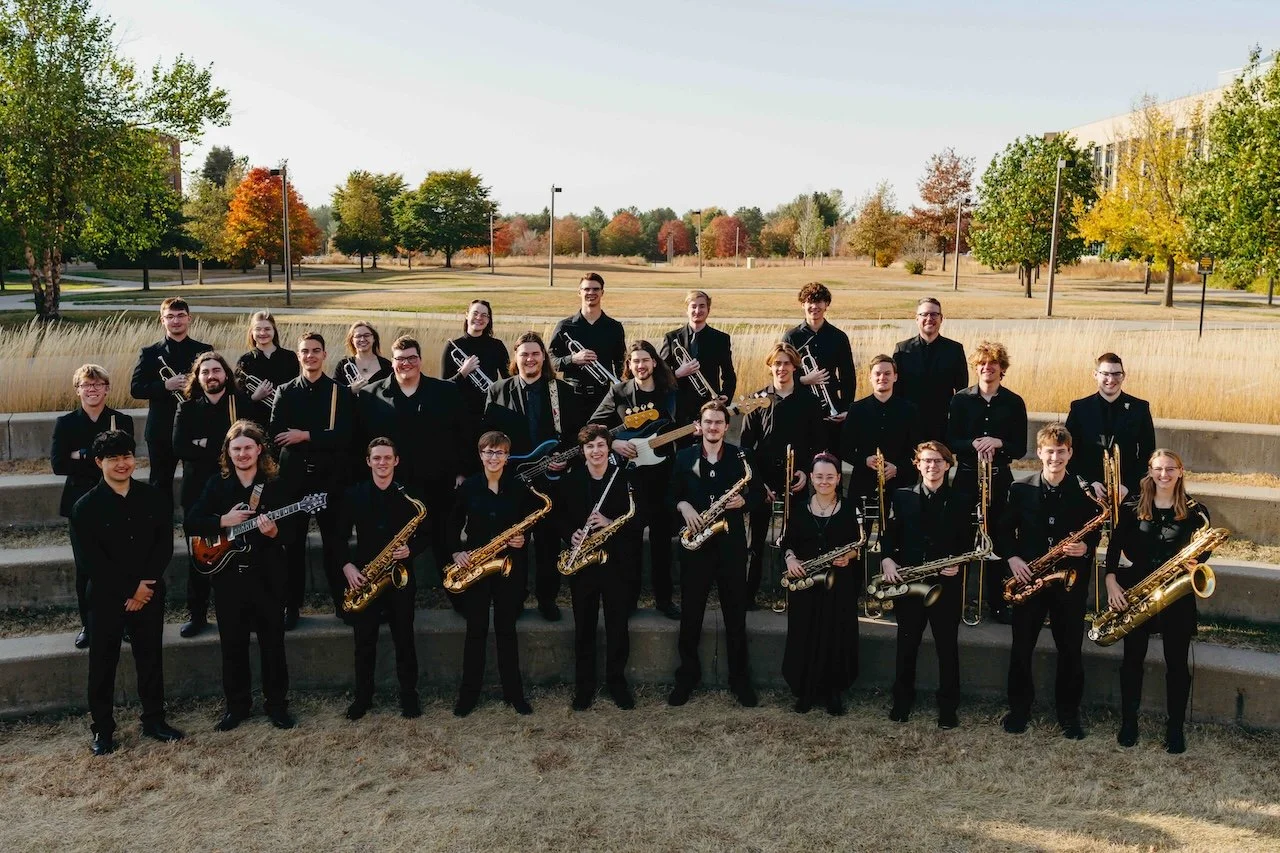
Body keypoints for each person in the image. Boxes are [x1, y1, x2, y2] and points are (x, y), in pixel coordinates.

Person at [70, 430, 182, 755]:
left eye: (127, 456)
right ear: (99, 462)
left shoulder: (153, 497)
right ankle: (103, 731)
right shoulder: (84, 507)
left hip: (149, 592)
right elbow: (90, 561)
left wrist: (145, 585)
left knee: (150, 659)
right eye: (114, 458)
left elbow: (163, 545)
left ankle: (155, 721)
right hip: (106, 597)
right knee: (102, 664)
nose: (122, 463)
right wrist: (130, 589)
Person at [186, 419, 297, 732]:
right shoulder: (216, 485)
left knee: (272, 644)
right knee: (232, 646)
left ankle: (277, 706)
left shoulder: (275, 484)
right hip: (229, 578)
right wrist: (223, 519)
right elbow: (192, 522)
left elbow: (293, 531)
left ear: (259, 449)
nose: (243, 453)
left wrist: (275, 531)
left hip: (268, 577)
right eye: (237, 449)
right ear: (229, 452)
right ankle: (237, 707)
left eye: (248, 447)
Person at [1104, 449, 1213, 754]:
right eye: (1157, 469)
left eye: (1170, 469)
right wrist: (1111, 580)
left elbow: (1202, 552)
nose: (1163, 475)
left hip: (1175, 593)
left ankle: (1175, 729)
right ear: (1149, 471)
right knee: (1132, 661)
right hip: (1137, 590)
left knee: (1177, 664)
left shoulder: (1196, 512)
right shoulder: (1131, 507)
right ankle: (1129, 723)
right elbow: (1113, 549)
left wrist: (1196, 563)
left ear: (1180, 471)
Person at [998, 424, 1100, 740]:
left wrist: (1086, 548)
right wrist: (1012, 558)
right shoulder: (1020, 489)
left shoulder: (1084, 493)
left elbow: (1094, 532)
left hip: (1069, 581)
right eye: (1049, 451)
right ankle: (1019, 710)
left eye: (1061, 451)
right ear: (1039, 453)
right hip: (1030, 577)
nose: (1055, 457)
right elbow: (1002, 531)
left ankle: (1069, 715)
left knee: (1070, 650)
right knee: (1021, 648)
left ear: (1070, 453)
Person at [355, 334, 474, 593]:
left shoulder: (446, 391)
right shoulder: (369, 396)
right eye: (400, 359)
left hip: (439, 484)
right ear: (392, 362)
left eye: (411, 358)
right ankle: (391, 600)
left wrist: (463, 472)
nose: (406, 364)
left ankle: (455, 593)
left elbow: (463, 433)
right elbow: (361, 441)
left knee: (445, 541)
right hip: (393, 487)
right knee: (392, 547)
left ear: (420, 361)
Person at [667, 400, 764, 708]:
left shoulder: (741, 457)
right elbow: (670, 496)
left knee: (735, 615)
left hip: (730, 544)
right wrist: (682, 505)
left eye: (718, 423)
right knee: (691, 615)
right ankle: (686, 678)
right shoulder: (683, 457)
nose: (712, 427)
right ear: (700, 425)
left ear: (726, 426)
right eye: (707, 422)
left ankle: (740, 680)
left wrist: (743, 503)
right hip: (696, 546)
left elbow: (760, 494)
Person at [484, 331, 581, 621]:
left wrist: (562, 460)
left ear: (544, 357)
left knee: (549, 543)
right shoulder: (498, 390)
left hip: (550, 482)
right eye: (524, 354)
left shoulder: (560, 391)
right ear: (516, 358)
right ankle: (514, 597)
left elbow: (575, 435)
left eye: (535, 353)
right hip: (512, 480)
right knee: (514, 542)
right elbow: (489, 436)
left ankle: (547, 599)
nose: (530, 359)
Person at [879, 441, 972, 728]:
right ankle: (902, 701)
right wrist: (887, 561)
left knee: (947, 647)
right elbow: (889, 536)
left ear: (948, 465)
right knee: (907, 644)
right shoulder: (901, 496)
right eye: (926, 461)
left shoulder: (961, 499)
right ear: (917, 464)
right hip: (909, 584)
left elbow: (968, 543)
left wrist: (958, 562)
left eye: (938, 461)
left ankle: (948, 707)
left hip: (946, 584)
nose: (932, 466)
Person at [449, 431, 540, 717]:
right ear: (480, 455)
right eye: (488, 452)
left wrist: (523, 537)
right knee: (475, 630)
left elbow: (530, 520)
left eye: (499, 453)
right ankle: (468, 695)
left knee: (506, 630)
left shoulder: (518, 486)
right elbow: (450, 525)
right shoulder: (469, 487)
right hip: (476, 565)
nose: (493, 457)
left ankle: (514, 694)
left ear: (507, 457)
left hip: (509, 565)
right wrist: (455, 552)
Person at [336, 438, 427, 721]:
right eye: (377, 458)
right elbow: (336, 537)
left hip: (399, 576)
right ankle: (363, 697)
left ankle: (409, 695)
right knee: (364, 641)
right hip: (365, 576)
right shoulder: (354, 494)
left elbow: (427, 533)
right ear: (368, 461)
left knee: (404, 638)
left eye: (388, 458)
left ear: (396, 461)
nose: (382, 463)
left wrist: (412, 548)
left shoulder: (409, 495)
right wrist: (347, 566)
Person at [590, 339, 680, 618]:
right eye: (635, 361)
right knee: (629, 540)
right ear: (629, 365)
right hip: (629, 478)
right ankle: (628, 599)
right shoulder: (619, 392)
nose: (640, 365)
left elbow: (684, 425)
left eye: (645, 360)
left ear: (655, 362)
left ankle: (664, 600)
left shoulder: (671, 393)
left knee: (663, 542)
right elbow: (592, 427)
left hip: (664, 476)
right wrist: (613, 443)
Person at [270, 332, 353, 626]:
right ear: (299, 355)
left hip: (331, 481)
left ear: (324, 355)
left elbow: (346, 437)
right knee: (292, 546)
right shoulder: (285, 391)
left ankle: (344, 604)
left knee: (335, 544)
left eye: (316, 351)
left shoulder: (340, 392)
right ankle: (290, 607)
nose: (310, 356)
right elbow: (278, 436)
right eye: (305, 351)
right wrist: (322, 439)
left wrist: (305, 435)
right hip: (294, 481)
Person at [172, 352, 255, 637]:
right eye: (205, 371)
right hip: (197, 494)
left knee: (241, 554)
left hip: (234, 490)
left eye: (216, 370)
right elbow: (180, 447)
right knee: (200, 556)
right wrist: (220, 447)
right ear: (198, 378)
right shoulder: (187, 409)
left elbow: (251, 445)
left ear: (226, 375)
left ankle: (245, 612)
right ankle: (197, 615)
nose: (211, 376)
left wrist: (203, 444)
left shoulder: (241, 405)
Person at [52, 364, 134, 650]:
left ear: (107, 388)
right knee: (86, 569)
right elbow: (59, 464)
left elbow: (124, 461)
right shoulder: (66, 423)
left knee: (123, 563)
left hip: (117, 500)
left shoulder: (121, 419)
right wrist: (98, 457)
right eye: (86, 385)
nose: (93, 390)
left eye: (98, 385)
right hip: (80, 504)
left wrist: (82, 454)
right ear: (78, 390)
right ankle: (89, 625)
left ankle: (125, 622)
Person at [554, 424, 635, 710]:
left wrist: (611, 523)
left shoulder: (624, 478)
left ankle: (617, 683)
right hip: (583, 564)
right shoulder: (571, 481)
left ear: (609, 447)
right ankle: (584, 687)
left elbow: (638, 516)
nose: (596, 451)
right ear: (582, 451)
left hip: (616, 563)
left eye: (601, 445)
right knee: (584, 628)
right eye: (590, 447)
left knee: (617, 626)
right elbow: (559, 518)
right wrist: (571, 534)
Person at [947, 340, 1027, 624]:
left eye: (992, 364)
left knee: (999, 539)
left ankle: (997, 603)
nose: (986, 368)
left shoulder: (1014, 402)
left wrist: (999, 441)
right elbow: (951, 441)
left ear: (1001, 369)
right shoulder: (960, 400)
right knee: (961, 538)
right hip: (968, 477)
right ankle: (955, 602)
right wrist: (974, 443)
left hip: (999, 479)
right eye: (981, 364)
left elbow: (1020, 448)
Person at [740, 343, 823, 607]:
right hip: (762, 481)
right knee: (755, 541)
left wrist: (806, 471)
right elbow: (745, 447)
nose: (782, 368)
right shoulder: (756, 399)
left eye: (787, 363)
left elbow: (817, 443)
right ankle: (748, 595)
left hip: (795, 479)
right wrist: (758, 483)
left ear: (795, 367)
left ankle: (795, 591)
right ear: (770, 366)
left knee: (796, 538)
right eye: (777, 363)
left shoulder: (809, 400)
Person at [780, 453, 863, 716]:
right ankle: (806, 690)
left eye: (830, 476)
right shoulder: (798, 508)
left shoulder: (851, 508)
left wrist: (847, 556)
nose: (824, 481)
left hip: (839, 583)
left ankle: (833, 692)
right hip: (805, 582)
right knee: (804, 633)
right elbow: (787, 542)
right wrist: (791, 558)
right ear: (812, 479)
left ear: (839, 478)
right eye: (819, 477)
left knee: (836, 635)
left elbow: (859, 545)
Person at [129, 297, 213, 514]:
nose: (176, 321)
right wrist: (165, 385)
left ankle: (196, 536)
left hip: (195, 427)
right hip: (161, 430)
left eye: (180, 316)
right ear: (162, 320)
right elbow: (136, 389)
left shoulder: (203, 350)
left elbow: (215, 385)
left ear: (189, 319)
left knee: (196, 483)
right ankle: (160, 540)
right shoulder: (149, 352)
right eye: (170, 317)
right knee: (159, 485)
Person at [1066, 352, 1157, 500]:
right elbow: (1070, 452)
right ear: (1095, 374)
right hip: (1088, 492)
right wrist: (1089, 482)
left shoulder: (1140, 408)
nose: (1111, 379)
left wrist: (1128, 485)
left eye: (1116, 374)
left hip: (1126, 492)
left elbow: (1148, 453)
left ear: (1124, 376)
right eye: (1105, 374)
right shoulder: (1079, 408)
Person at [840, 354, 921, 513]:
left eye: (887, 373)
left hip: (900, 482)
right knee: (856, 532)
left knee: (897, 534)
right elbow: (844, 448)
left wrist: (897, 468)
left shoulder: (910, 410)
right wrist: (865, 460)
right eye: (877, 373)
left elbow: (917, 449)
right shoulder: (856, 409)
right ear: (870, 377)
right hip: (863, 481)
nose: (882, 377)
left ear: (895, 377)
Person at [782, 282, 855, 456]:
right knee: (802, 459)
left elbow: (848, 376)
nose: (814, 306)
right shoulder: (791, 337)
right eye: (810, 302)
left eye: (819, 302)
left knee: (832, 460)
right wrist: (804, 380)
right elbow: (782, 372)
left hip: (831, 410)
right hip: (800, 407)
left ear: (826, 305)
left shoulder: (838, 337)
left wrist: (846, 408)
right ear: (802, 304)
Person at [893, 297, 968, 443]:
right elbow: (896, 389)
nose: (929, 318)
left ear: (941, 319)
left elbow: (961, 389)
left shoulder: (955, 349)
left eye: (934, 314)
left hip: (941, 425)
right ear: (916, 319)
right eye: (924, 314)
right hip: (910, 424)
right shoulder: (902, 349)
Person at [549, 272, 626, 411]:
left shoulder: (614, 327)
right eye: (586, 289)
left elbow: (621, 362)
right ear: (579, 292)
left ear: (602, 292)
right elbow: (550, 361)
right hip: (572, 394)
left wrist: (622, 386)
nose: (591, 292)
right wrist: (572, 359)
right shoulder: (564, 326)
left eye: (596, 289)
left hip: (604, 396)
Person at [660, 289, 736, 424]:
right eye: (693, 306)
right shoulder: (671, 338)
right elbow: (659, 374)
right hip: (678, 408)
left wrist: (726, 395)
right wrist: (677, 373)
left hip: (708, 406)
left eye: (702, 306)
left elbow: (729, 375)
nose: (697, 310)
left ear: (708, 309)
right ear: (687, 310)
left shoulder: (721, 339)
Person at [441, 299, 509, 434]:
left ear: (489, 320)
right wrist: (464, 372)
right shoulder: (452, 347)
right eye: (475, 313)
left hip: (490, 413)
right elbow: (444, 387)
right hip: (461, 415)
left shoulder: (497, 346)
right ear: (467, 315)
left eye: (484, 315)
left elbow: (509, 379)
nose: (479, 318)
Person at [233, 310, 299, 427]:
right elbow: (239, 398)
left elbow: (295, 388)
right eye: (258, 329)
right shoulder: (245, 361)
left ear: (274, 331)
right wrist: (255, 397)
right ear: (252, 332)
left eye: (267, 329)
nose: (262, 333)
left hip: (285, 421)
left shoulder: (289, 357)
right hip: (255, 423)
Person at [333, 321, 393, 394]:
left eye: (366, 335)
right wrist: (350, 390)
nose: (362, 339)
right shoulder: (343, 365)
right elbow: (334, 392)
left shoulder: (387, 365)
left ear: (374, 338)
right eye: (358, 336)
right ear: (352, 340)